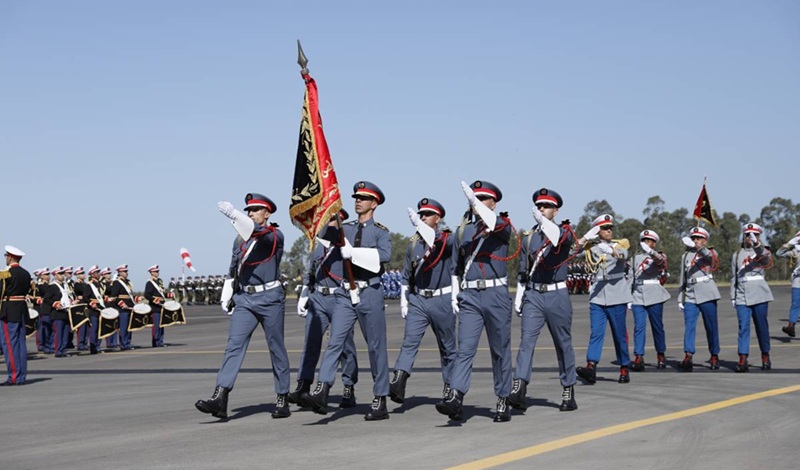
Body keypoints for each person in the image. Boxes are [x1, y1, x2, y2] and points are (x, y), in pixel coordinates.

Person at [301, 181, 393, 421]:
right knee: (336, 342)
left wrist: (355, 254)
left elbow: (384, 256)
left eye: (363, 198)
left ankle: (380, 398)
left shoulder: (381, 232)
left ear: (374, 203)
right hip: (345, 293)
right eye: (356, 197)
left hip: (369, 292)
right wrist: (326, 206)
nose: (357, 201)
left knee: (375, 347)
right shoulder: (346, 228)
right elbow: (320, 233)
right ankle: (322, 389)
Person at [195, 193, 291, 419]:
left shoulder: (274, 235)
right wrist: (228, 290)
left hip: (270, 298)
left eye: (255, 210)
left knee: (276, 347)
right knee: (233, 347)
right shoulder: (239, 240)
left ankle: (282, 397)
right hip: (245, 299)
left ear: (267, 214)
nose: (250, 213)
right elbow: (233, 267)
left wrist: (234, 214)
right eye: (247, 210)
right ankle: (220, 396)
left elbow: (257, 232)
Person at [436, 180, 517, 423]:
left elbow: (492, 224)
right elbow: (456, 265)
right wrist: (454, 293)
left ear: (494, 203)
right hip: (470, 296)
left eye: (483, 199)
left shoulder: (501, 224)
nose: (477, 204)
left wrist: (476, 204)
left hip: (496, 295)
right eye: (474, 199)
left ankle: (503, 397)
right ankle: (456, 396)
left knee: (500, 350)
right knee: (465, 350)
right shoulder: (464, 231)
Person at [509, 188, 579, 412]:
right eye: (539, 206)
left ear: (556, 211)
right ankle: (519, 386)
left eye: (547, 206)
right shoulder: (529, 237)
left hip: (557, 294)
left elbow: (557, 239)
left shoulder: (565, 232)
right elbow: (523, 269)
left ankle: (568, 388)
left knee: (562, 343)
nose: (541, 209)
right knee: (526, 342)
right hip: (534, 295)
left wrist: (545, 223)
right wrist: (520, 296)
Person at [290, 209, 359, 409]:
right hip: (318, 296)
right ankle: (304, 385)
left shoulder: (345, 244)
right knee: (311, 343)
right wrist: (304, 292)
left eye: (331, 221)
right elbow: (311, 269)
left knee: (344, 345)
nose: (326, 224)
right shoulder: (318, 245)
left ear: (340, 223)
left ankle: (348, 386)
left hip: (340, 298)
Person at [390, 198, 456, 404]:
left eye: (428, 214)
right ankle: (399, 380)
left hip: (442, 299)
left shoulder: (447, 240)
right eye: (421, 214)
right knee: (409, 342)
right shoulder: (413, 244)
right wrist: (404, 300)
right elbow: (406, 275)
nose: (423, 217)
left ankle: (450, 387)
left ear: (438, 218)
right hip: (419, 299)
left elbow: (443, 246)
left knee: (447, 347)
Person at [575, 214, 633, 384]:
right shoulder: (591, 247)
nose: (608, 231)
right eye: (604, 228)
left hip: (617, 294)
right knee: (596, 333)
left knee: (619, 334)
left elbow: (623, 255)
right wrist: (585, 237)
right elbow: (571, 251)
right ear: (597, 231)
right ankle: (591, 366)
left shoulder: (620, 244)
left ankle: (624, 367)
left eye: (610, 228)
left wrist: (611, 251)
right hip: (598, 296)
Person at [676, 227, 721, 372]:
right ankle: (688, 355)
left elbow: (710, 258)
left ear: (705, 240)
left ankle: (714, 355)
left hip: (707, 293)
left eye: (699, 238)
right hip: (690, 294)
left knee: (711, 327)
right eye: (694, 238)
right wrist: (680, 297)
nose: (695, 240)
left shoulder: (710, 252)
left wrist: (698, 247)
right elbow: (683, 277)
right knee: (689, 327)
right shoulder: (685, 256)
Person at [731, 223, 774, 372]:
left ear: (758, 236)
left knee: (761, 326)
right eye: (748, 235)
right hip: (742, 294)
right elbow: (734, 277)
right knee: (743, 327)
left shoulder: (764, 251)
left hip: (759, 294)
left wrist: (757, 245)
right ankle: (742, 358)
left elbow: (766, 261)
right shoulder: (737, 255)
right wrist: (733, 296)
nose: (750, 238)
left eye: (754, 235)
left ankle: (765, 355)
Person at [629, 229, 671, 370]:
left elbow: (660, 262)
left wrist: (651, 252)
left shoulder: (660, 255)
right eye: (644, 241)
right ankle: (638, 356)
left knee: (657, 326)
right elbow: (630, 278)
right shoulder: (635, 258)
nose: (646, 243)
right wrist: (628, 297)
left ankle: (660, 354)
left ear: (654, 243)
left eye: (649, 241)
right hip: (638, 296)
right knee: (639, 327)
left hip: (654, 295)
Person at [0, 246, 32, 385]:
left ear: (10, 257)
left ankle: (13, 376)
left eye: (6, 256)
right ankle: (21, 376)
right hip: (21, 309)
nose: (6, 258)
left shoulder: (6, 273)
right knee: (20, 344)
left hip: (9, 310)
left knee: (9, 344)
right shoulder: (26, 273)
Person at [777, 230, 800, 337]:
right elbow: (779, 253)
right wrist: (789, 244)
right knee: (795, 304)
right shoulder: (795, 252)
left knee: (795, 305)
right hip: (797, 281)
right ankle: (791, 327)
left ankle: (791, 326)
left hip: (797, 281)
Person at [108, 265, 135, 351]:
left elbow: (130, 296)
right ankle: (123, 344)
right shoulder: (117, 282)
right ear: (119, 272)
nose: (126, 273)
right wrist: (123, 304)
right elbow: (114, 297)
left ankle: (127, 343)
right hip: (122, 308)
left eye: (126, 271)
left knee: (129, 327)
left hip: (129, 307)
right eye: (124, 271)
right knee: (123, 327)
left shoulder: (127, 282)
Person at [144, 265, 171, 348]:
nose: (157, 273)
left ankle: (160, 341)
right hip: (155, 307)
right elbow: (147, 295)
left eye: (158, 271)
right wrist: (154, 300)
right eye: (155, 271)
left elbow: (162, 294)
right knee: (156, 326)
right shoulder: (149, 283)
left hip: (161, 306)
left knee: (161, 325)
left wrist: (168, 294)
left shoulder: (159, 282)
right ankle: (156, 342)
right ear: (151, 273)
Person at [83, 265, 106, 354]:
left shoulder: (100, 284)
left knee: (100, 329)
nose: (98, 274)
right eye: (96, 272)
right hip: (93, 310)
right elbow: (85, 298)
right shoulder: (89, 285)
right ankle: (93, 347)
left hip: (100, 308)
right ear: (92, 274)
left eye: (98, 272)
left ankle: (98, 346)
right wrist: (91, 303)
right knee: (94, 329)